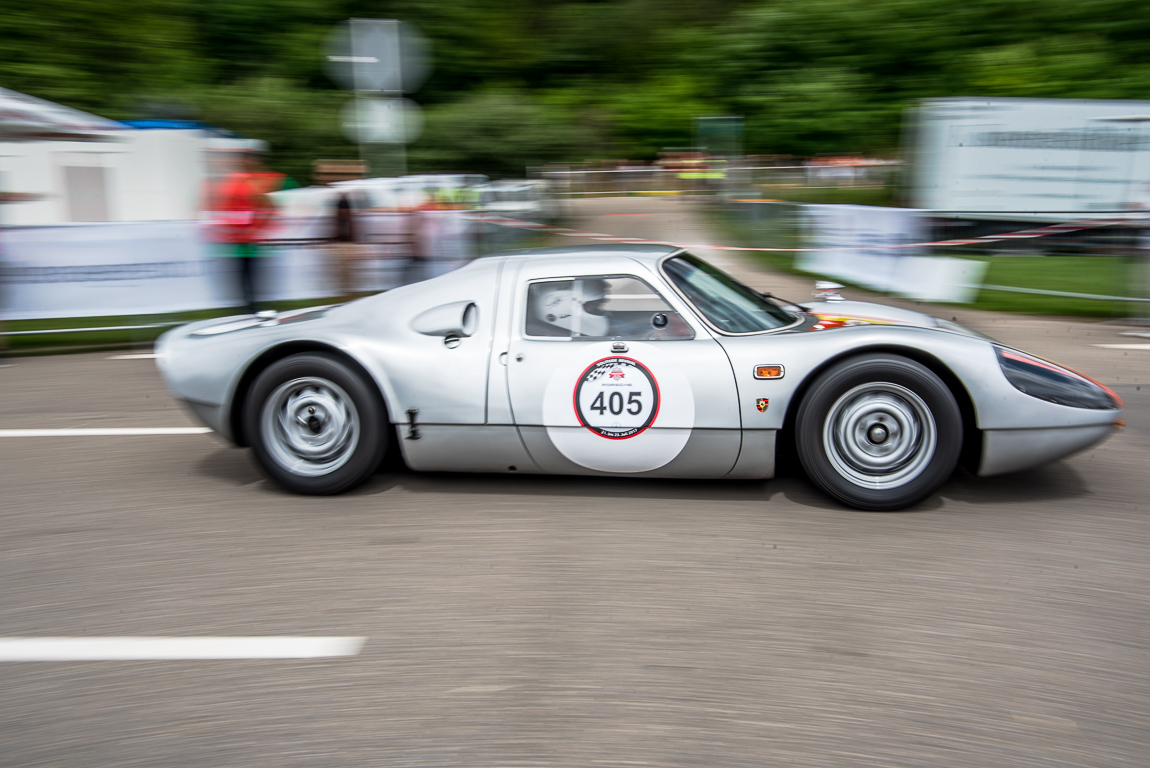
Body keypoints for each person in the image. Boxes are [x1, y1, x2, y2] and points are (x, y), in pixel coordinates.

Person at [209, 151, 283, 313]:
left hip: (249, 239)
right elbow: (227, 206)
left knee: (249, 272)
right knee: (244, 273)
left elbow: (270, 207)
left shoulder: (253, 182)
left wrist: (256, 228)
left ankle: (251, 306)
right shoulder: (238, 180)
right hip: (238, 238)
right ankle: (249, 306)